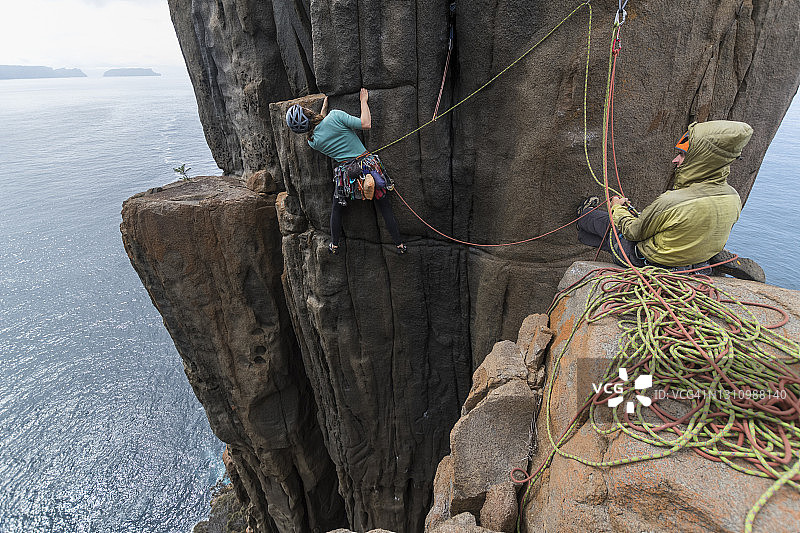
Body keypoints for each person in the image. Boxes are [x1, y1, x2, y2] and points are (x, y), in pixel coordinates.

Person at [576, 120, 754, 273]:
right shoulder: (733, 197)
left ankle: (583, 214)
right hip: (696, 266)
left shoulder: (672, 202)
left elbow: (632, 232)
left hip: (648, 264)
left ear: (701, 161)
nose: (675, 160)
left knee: (607, 223)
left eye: (682, 155)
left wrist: (618, 208)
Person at [285, 88, 407, 255]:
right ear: (307, 112)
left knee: (337, 208)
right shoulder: (335, 116)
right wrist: (363, 101)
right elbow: (366, 124)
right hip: (367, 167)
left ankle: (335, 244)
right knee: (384, 206)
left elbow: (321, 126)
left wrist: (323, 109)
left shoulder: (313, 141)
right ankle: (399, 244)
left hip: (347, 175)